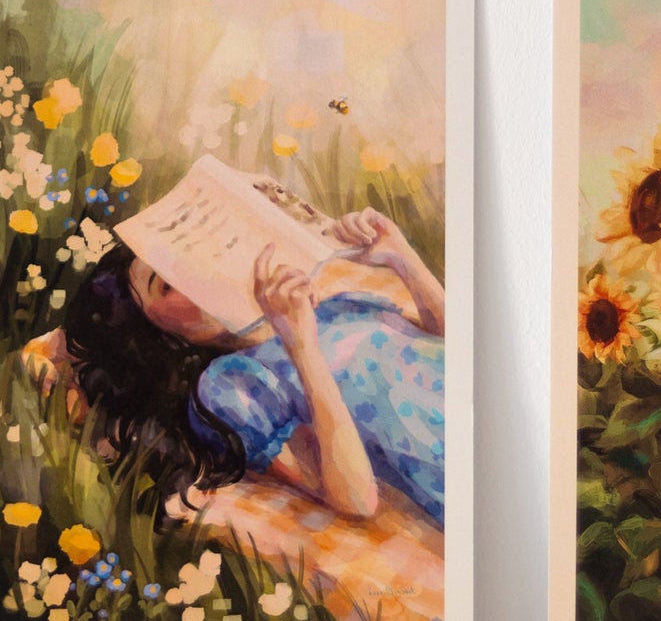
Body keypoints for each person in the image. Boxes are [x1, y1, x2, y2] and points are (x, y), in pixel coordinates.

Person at [63, 208, 447, 527]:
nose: (189, 273)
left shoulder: (329, 303)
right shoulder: (229, 384)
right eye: (164, 284)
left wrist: (401, 257)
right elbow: (357, 500)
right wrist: (301, 345)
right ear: (161, 337)